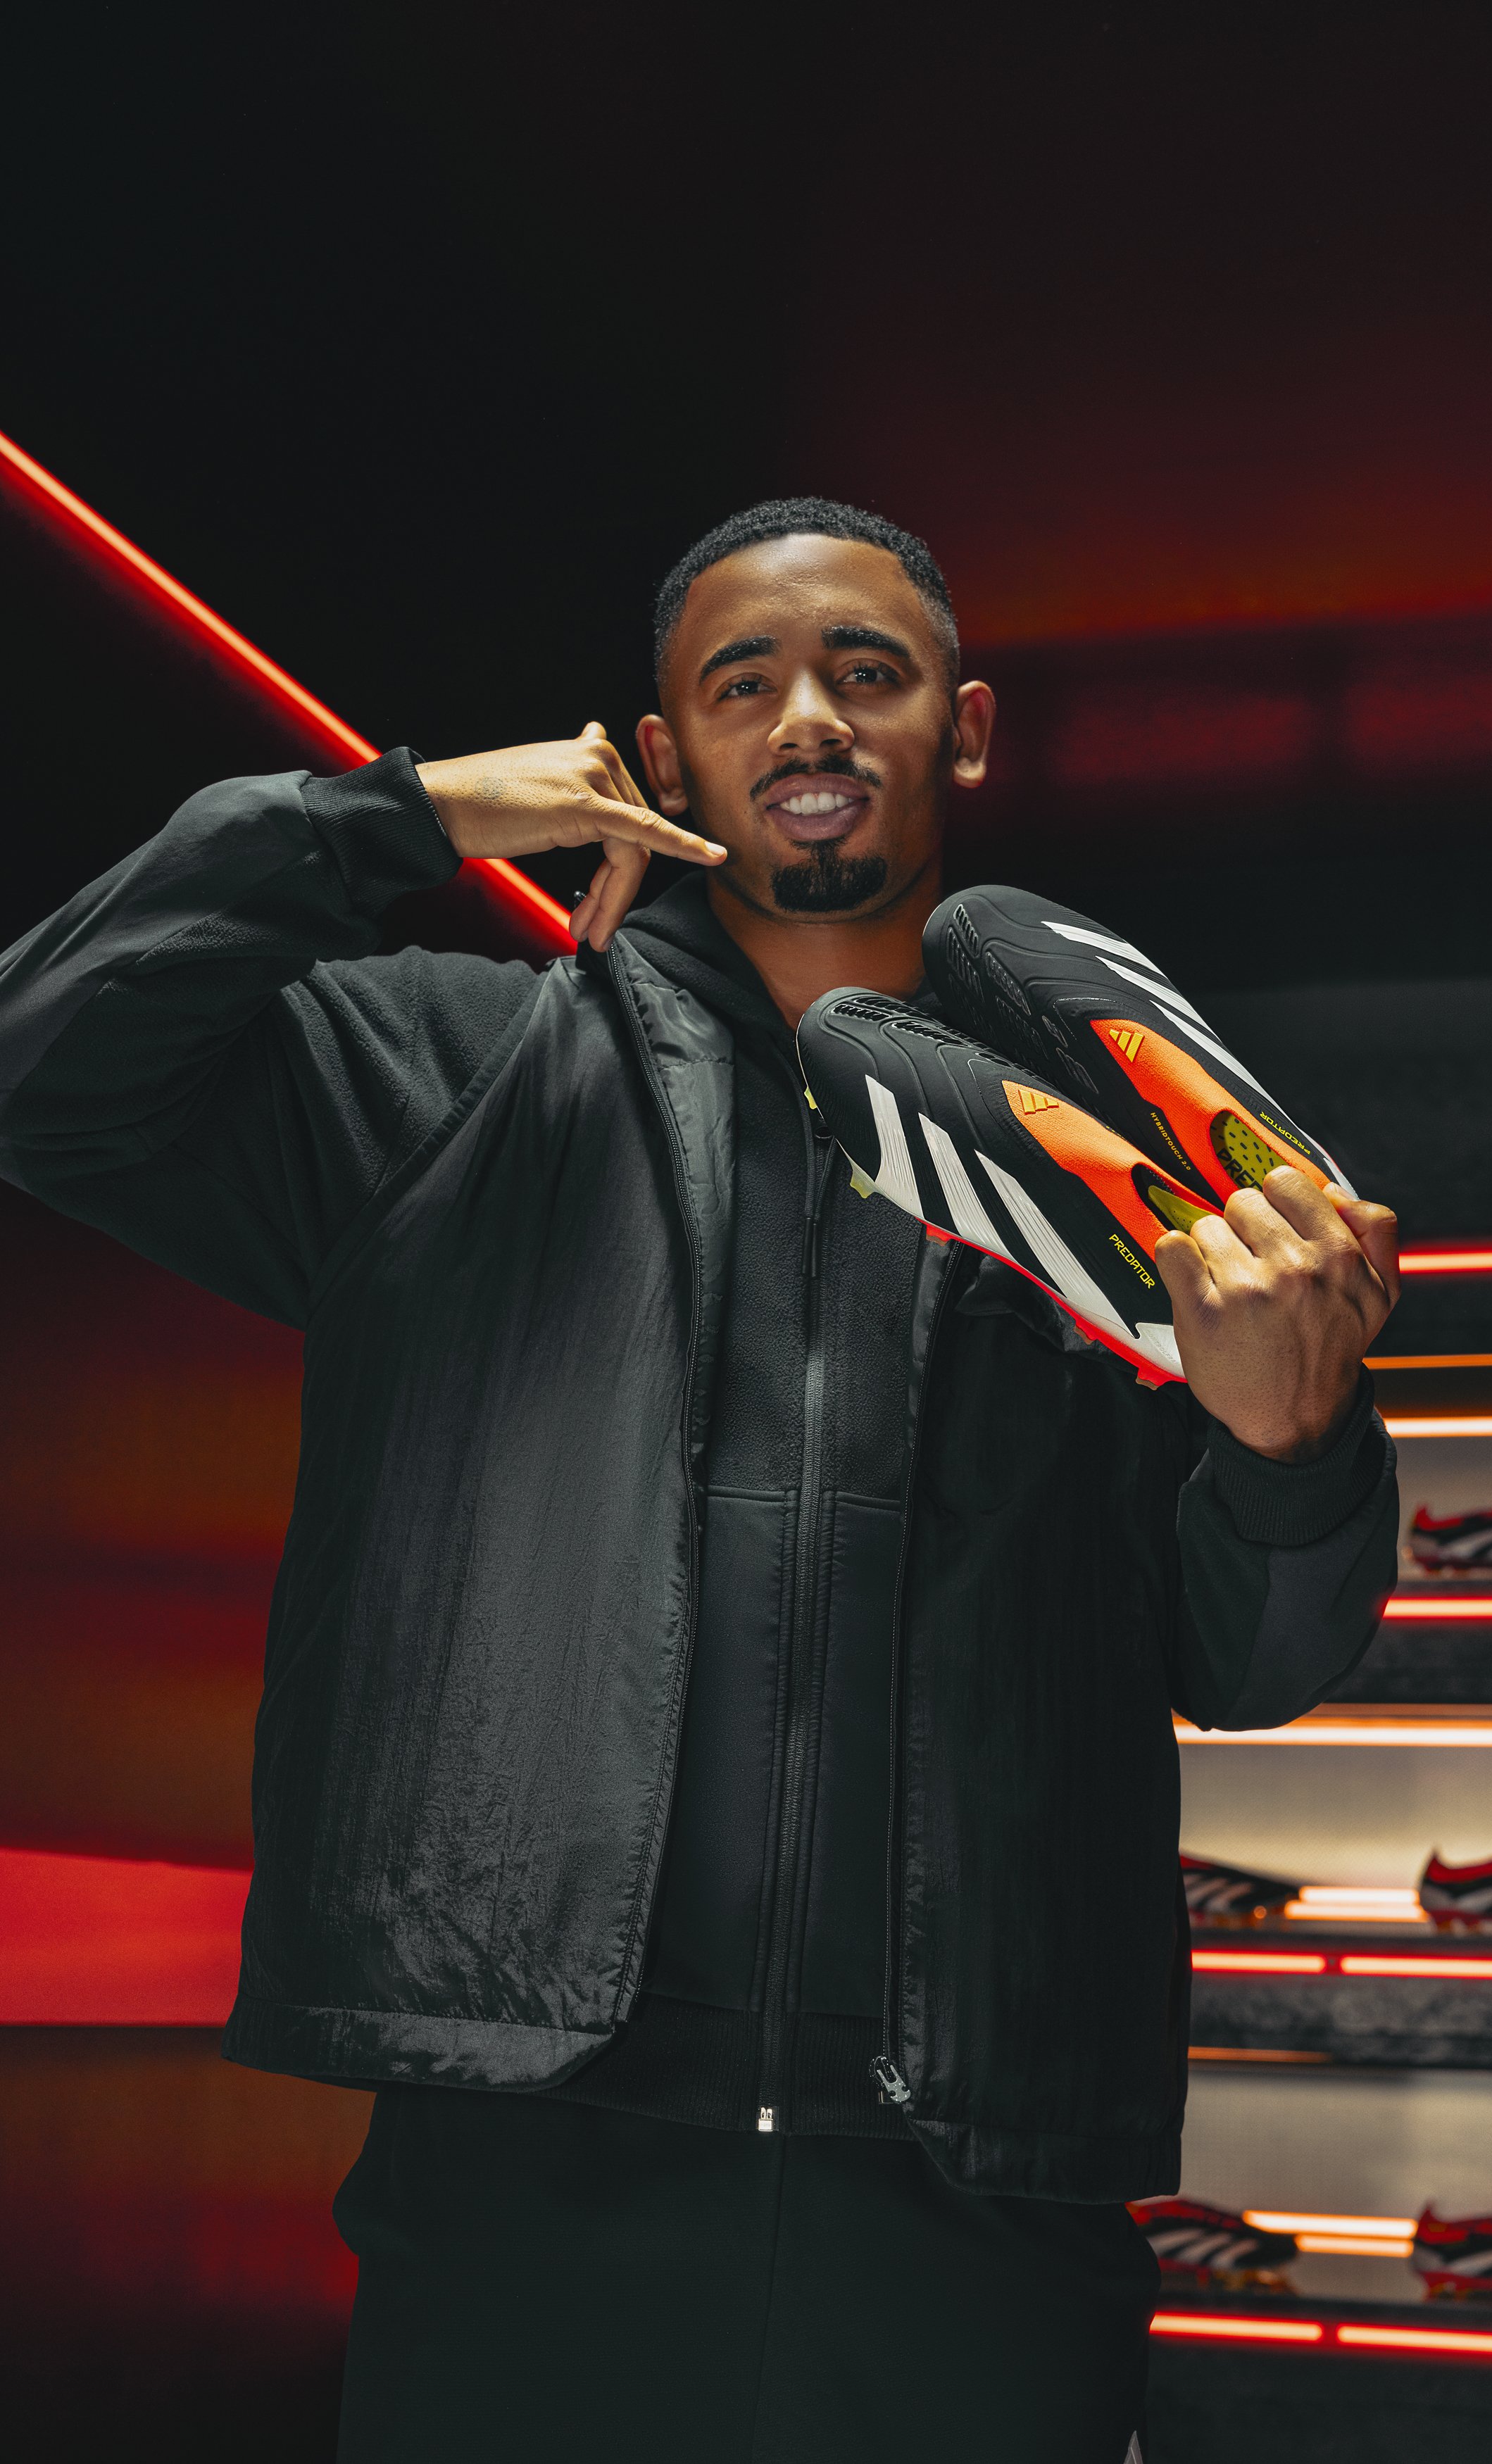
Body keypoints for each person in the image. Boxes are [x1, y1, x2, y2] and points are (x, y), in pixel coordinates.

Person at [0, 499, 1400, 2460]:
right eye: (746, 685)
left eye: (867, 672)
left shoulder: (1140, 1181)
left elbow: (1263, 1662)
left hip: (983, 2188)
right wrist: (401, 818)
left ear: (962, 732)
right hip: (526, 2158)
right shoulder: (449, 1076)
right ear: (660, 761)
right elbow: (45, 1066)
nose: (808, 717)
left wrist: (1290, 1436)